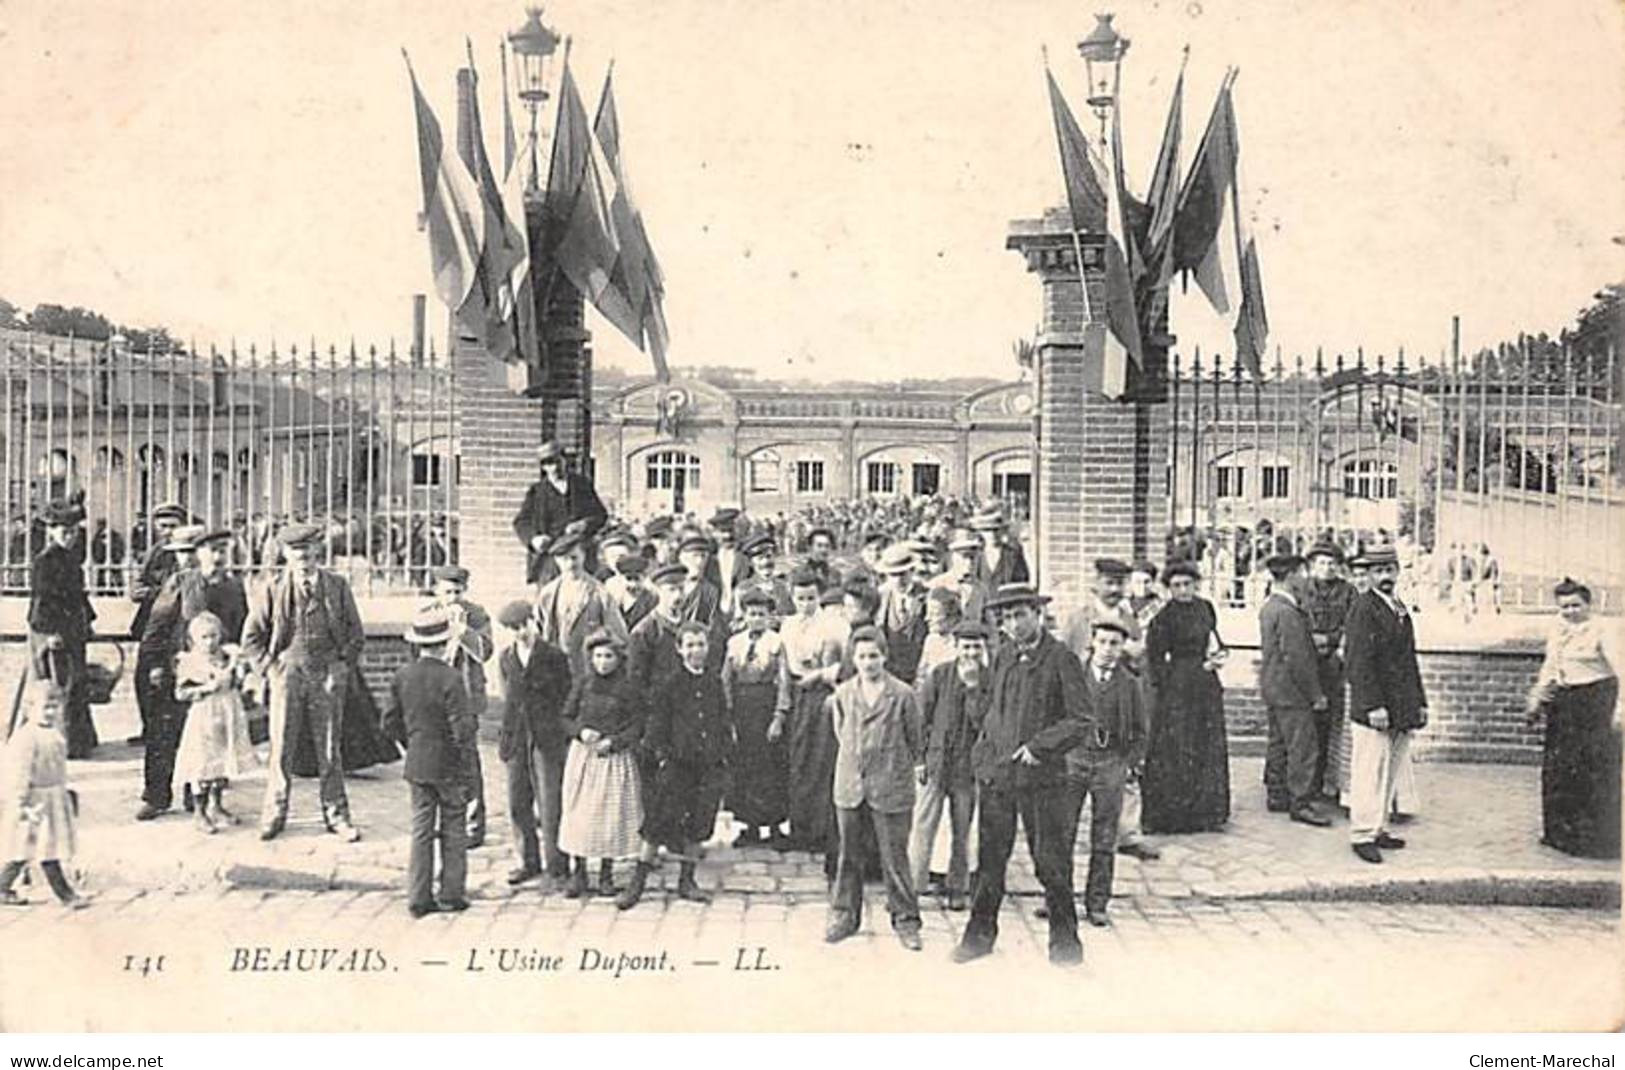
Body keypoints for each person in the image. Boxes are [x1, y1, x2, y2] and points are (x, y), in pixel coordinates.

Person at [954, 583, 1092, 968]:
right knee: (990, 864)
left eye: (1020, 615)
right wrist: (972, 689)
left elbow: (1081, 720)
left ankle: (1065, 948)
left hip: (1043, 781)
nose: (1013, 624)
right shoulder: (1002, 657)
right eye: (1006, 617)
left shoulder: (1061, 658)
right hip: (999, 778)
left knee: (1051, 864)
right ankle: (978, 939)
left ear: (1037, 613)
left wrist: (1038, 747)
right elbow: (988, 714)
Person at [241, 522, 366, 842]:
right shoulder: (271, 588)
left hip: (326, 675)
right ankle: (275, 813)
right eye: (297, 553)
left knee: (329, 749)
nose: (304, 559)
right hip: (288, 676)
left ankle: (336, 814)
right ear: (285, 554)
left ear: (317, 553)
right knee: (281, 747)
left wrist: (340, 668)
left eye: (309, 553)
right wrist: (270, 668)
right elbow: (252, 638)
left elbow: (355, 634)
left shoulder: (337, 586)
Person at [617, 623, 732, 910]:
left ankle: (687, 880)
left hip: (707, 766)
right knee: (657, 822)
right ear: (679, 649)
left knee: (699, 822)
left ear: (709, 647)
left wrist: (721, 756)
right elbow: (657, 726)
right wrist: (664, 757)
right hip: (677, 766)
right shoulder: (669, 684)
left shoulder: (714, 682)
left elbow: (720, 720)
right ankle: (637, 884)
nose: (696, 651)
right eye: (690, 645)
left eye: (701, 644)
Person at [824, 626, 923, 951]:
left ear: (885, 657)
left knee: (894, 857)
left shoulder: (903, 695)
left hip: (891, 784)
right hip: (851, 784)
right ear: (853, 659)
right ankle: (844, 915)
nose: (868, 663)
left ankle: (905, 919)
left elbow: (914, 740)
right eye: (862, 656)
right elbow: (842, 734)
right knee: (848, 855)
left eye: (874, 656)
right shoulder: (843, 694)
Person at [1059, 558, 1159, 861]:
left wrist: (1133, 654)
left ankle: (1127, 834)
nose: (1115, 590)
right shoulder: (1080, 618)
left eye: (1120, 583)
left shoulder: (1130, 619)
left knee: (1124, 772)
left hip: (1121, 705)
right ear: (1097, 583)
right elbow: (1066, 660)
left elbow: (1141, 663)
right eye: (1109, 583)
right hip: (1086, 705)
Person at [384, 606, 474, 917]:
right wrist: (463, 761)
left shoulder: (402, 675)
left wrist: (413, 744)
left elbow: (389, 722)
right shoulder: (451, 678)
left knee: (421, 830)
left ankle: (418, 897)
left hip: (418, 763)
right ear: (445, 642)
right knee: (454, 828)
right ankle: (452, 893)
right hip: (449, 764)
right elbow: (462, 728)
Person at [1342, 545, 1427, 864]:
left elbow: (1409, 660)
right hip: (1374, 709)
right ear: (1369, 575)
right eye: (1378, 571)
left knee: (1389, 772)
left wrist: (1419, 702)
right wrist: (1372, 705)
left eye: (1389, 570)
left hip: (1400, 705)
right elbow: (1358, 663)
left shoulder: (1399, 607)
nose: (1385, 576)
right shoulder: (1363, 608)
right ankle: (1362, 834)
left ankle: (1378, 827)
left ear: (1397, 571)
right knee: (1369, 771)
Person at [1526, 578, 1621, 859]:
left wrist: (1620, 711)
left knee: (1592, 769)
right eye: (1564, 606)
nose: (1569, 611)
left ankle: (1596, 840)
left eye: (1575, 605)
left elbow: (1622, 671)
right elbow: (1550, 665)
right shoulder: (1558, 628)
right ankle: (1559, 833)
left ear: (1588, 604)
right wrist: (1537, 697)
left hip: (1595, 703)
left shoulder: (1604, 630)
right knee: (1559, 768)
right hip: (1564, 703)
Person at [1064, 618, 1149, 928]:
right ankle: (1058, 899)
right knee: (1063, 832)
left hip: (1110, 762)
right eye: (1103, 642)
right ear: (1092, 644)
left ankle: (1097, 902)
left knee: (1104, 836)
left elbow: (1141, 731)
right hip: (1074, 759)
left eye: (1116, 644)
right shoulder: (1073, 678)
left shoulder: (1130, 684)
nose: (1109, 650)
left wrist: (1128, 764)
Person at [1141, 560, 1231, 834]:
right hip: (1178, 692)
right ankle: (1173, 816)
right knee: (1178, 749)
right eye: (1176, 586)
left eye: (1187, 584)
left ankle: (1207, 813)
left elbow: (1214, 640)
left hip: (1206, 688)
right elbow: (1155, 660)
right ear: (1169, 589)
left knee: (1207, 745)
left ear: (1196, 585)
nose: (1182, 590)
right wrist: (1184, 674)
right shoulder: (1163, 618)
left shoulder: (1205, 608)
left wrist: (1218, 656)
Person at [908, 619, 989, 912]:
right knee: (922, 825)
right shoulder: (940, 675)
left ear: (984, 649)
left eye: (976, 647)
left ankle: (958, 887)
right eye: (966, 646)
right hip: (936, 762)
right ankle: (913, 886)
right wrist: (919, 759)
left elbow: (985, 722)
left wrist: (972, 688)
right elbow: (921, 720)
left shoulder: (988, 681)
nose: (971, 653)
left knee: (962, 828)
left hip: (967, 768)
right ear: (956, 647)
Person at [558, 629, 646, 898]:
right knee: (579, 815)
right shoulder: (583, 684)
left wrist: (615, 741)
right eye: (597, 656)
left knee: (610, 817)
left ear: (619, 659)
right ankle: (579, 871)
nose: (603, 662)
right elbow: (565, 717)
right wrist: (581, 732)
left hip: (613, 759)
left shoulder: (628, 687)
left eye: (608, 656)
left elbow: (637, 725)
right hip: (584, 759)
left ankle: (607, 873)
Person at [495, 600, 574, 889]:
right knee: (518, 802)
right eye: (513, 628)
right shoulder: (506, 658)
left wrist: (561, 734)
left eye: (524, 625)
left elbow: (566, 698)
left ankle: (557, 865)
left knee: (551, 803)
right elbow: (508, 701)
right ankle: (528, 861)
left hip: (547, 739)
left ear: (534, 622)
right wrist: (506, 739)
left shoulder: (555, 656)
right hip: (518, 738)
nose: (520, 632)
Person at [0, 682, 88, 909]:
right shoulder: (26, 739)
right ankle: (65, 895)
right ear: (29, 709)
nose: (50, 712)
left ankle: (2, 886)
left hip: (53, 798)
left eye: (54, 707)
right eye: (44, 707)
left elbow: (58, 767)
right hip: (35, 801)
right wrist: (21, 803)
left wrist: (66, 792)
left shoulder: (53, 733)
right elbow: (19, 774)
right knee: (47, 849)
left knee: (26, 848)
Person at [1259, 553, 1332, 827]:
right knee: (1303, 746)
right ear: (1290, 576)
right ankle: (1300, 802)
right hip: (1293, 691)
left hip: (1274, 687)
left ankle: (1277, 794)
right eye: (1302, 574)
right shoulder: (1288, 612)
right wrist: (1316, 694)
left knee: (1278, 743)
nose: (1305, 579)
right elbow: (1297, 658)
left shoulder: (1270, 606)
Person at [425, 566, 494, 848]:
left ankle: (473, 824)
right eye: (447, 591)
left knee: (467, 762)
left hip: (465, 698)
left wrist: (463, 630)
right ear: (436, 591)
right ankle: (446, 822)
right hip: (436, 697)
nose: (453, 597)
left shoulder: (476, 615)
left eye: (458, 591)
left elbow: (485, 651)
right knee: (439, 760)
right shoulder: (428, 613)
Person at [777, 567, 843, 859]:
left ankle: (818, 830)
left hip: (821, 694)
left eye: (811, 598)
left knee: (819, 759)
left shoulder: (832, 625)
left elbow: (844, 663)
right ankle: (798, 827)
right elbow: (783, 664)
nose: (806, 604)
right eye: (800, 598)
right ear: (792, 597)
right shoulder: (788, 625)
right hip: (795, 692)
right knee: (796, 760)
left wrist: (819, 675)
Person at [171, 612, 257, 834]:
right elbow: (180, 693)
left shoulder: (228, 656)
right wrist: (204, 689)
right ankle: (200, 812)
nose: (209, 642)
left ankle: (217, 806)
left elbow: (238, 682)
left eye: (213, 636)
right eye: (204, 637)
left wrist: (239, 673)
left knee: (222, 759)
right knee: (202, 763)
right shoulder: (190, 662)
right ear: (193, 639)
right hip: (205, 715)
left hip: (228, 711)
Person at [25, 501, 98, 759]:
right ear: (51, 531)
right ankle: (63, 741)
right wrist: (52, 632)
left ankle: (80, 739)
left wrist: (88, 620)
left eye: (73, 532)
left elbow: (79, 595)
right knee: (61, 683)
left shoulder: (71, 558)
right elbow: (43, 599)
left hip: (72, 628)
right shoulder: (45, 561)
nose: (69, 537)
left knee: (75, 682)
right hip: (52, 630)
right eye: (64, 532)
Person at [721, 589, 792, 848]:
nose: (756, 619)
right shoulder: (734, 643)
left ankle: (774, 827)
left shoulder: (776, 642)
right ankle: (749, 826)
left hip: (766, 704)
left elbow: (784, 681)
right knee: (746, 768)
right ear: (744, 615)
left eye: (761, 614)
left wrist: (779, 717)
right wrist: (728, 717)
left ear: (769, 616)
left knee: (770, 768)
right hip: (743, 708)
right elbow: (726, 679)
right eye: (752, 614)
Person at [534, 531, 630, 680]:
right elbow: (538, 632)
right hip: (555, 670)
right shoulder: (548, 594)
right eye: (564, 559)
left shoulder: (600, 593)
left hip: (587, 670)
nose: (571, 564)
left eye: (574, 558)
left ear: (583, 556)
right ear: (556, 561)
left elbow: (618, 635)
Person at [513, 441, 608, 588]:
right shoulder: (537, 491)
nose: (554, 468)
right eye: (548, 464)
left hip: (580, 555)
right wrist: (534, 539)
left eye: (557, 461)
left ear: (565, 460)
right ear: (543, 467)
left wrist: (585, 524)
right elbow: (521, 522)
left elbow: (601, 515)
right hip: (549, 558)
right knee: (549, 601)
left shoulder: (582, 485)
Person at [1303, 538, 1355, 802]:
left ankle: (1329, 781)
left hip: (1334, 665)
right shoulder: (1302, 590)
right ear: (1312, 565)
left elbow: (1352, 625)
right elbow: (1296, 622)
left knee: (1332, 722)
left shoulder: (1348, 592)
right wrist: (1311, 639)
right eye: (1322, 563)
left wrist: (1332, 641)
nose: (1327, 568)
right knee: (1308, 723)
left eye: (1332, 563)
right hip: (1308, 664)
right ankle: (1306, 781)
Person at [876, 544, 928, 684]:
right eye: (893, 575)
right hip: (889, 671)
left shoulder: (926, 595)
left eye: (903, 573)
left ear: (912, 571)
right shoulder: (880, 597)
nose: (898, 580)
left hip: (918, 670)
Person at [929, 529, 988, 626]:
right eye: (964, 556)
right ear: (953, 557)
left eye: (973, 557)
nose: (970, 562)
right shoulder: (937, 584)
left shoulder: (981, 589)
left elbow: (988, 623)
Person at [703, 508, 752, 611]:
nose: (728, 536)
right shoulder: (708, 558)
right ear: (714, 534)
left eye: (731, 530)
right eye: (722, 531)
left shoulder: (746, 555)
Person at [970, 508, 1029, 589]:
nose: (992, 534)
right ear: (981, 533)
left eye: (996, 530)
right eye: (987, 530)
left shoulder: (1014, 555)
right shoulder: (975, 557)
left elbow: (1022, 585)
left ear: (1002, 531)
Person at [605, 552, 657, 632]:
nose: (633, 585)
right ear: (620, 579)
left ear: (644, 578)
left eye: (637, 579)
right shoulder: (613, 599)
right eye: (628, 579)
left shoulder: (652, 600)